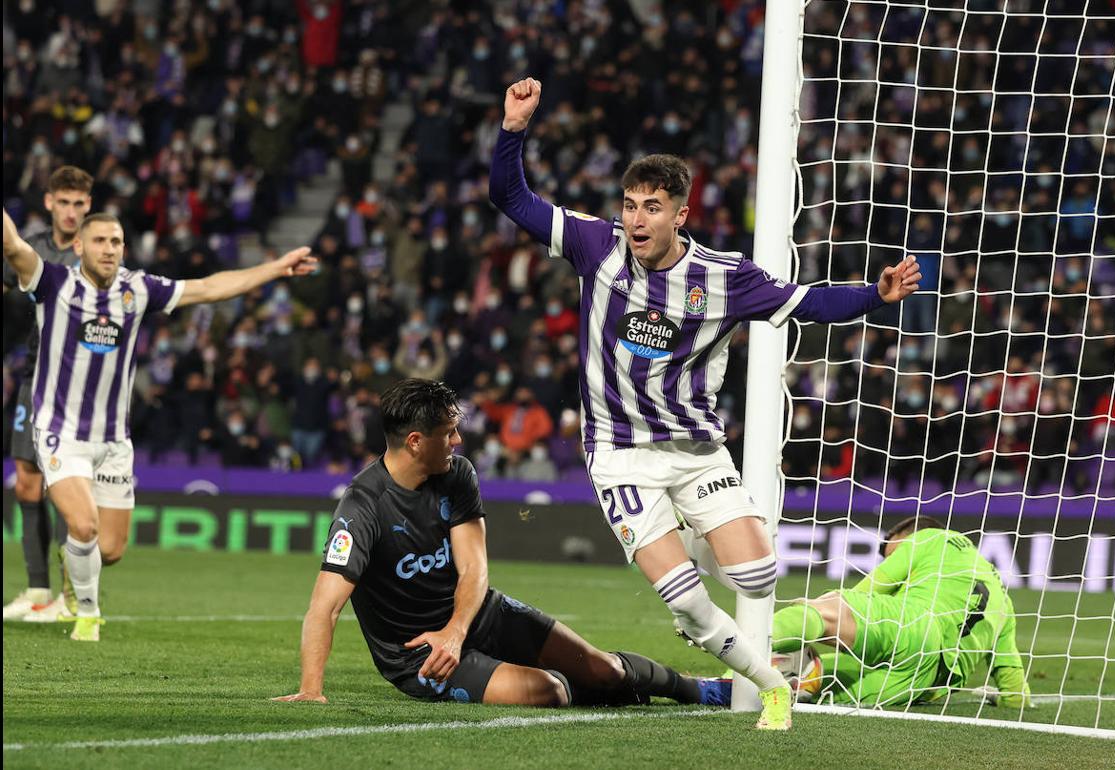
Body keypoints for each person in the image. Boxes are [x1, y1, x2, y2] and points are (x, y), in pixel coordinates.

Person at [489, 77, 922, 730]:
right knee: (689, 606)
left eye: (652, 207)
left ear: (679, 215)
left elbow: (809, 302)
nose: (637, 219)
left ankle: (689, 534)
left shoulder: (724, 279)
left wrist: (874, 295)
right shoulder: (594, 246)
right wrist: (513, 129)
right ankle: (774, 686)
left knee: (758, 577)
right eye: (631, 205)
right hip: (621, 455)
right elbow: (509, 197)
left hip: (696, 451)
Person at [273, 378, 727, 708]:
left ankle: (703, 689)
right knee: (548, 690)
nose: (457, 440)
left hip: (477, 616)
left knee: (602, 670)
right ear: (415, 442)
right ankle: (607, 692)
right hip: (420, 659)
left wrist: (456, 631)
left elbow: (474, 568)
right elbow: (324, 607)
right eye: (447, 433)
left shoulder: (457, 475)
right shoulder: (362, 508)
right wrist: (311, 688)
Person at [1, 208, 316, 641]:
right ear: (78, 247)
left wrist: (276, 268)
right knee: (84, 526)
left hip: (113, 440)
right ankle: (87, 614)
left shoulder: (137, 289)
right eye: (99, 241)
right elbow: (14, 245)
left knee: (109, 550)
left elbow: (208, 288)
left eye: (116, 242)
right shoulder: (55, 283)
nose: (109, 249)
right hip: (60, 432)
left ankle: (73, 567)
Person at [767, 515, 1031, 709]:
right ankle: (732, 685)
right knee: (816, 681)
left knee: (826, 611)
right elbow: (1016, 693)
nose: (890, 562)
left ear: (910, 538)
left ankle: (745, 642)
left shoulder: (930, 538)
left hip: (915, 627)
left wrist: (824, 614)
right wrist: (1003, 697)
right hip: (920, 684)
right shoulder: (1004, 603)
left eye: (892, 555)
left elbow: (865, 593)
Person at [3, 165, 93, 623]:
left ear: (88, 207)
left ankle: (69, 595)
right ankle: (38, 589)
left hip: (76, 385)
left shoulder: (96, 249)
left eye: (80, 203)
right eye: (65, 202)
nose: (72, 211)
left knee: (64, 487)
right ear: (50, 202)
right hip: (32, 376)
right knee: (26, 481)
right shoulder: (32, 247)